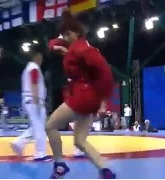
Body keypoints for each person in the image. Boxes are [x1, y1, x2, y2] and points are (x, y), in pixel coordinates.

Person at [46, 8, 116, 179]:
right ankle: (105, 171)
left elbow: (104, 73)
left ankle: (60, 165)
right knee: (80, 141)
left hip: (82, 96)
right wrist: (58, 47)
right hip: (88, 98)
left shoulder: (82, 50)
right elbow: (52, 43)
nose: (64, 37)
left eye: (67, 34)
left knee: (50, 126)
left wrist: (103, 100)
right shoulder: (77, 46)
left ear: (76, 33)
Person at [10, 45, 49, 161]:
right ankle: (40, 153)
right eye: (41, 57)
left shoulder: (28, 68)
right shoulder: (34, 68)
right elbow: (34, 83)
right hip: (34, 101)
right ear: (37, 56)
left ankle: (19, 142)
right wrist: (37, 99)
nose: (41, 60)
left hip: (29, 100)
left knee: (37, 126)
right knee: (39, 127)